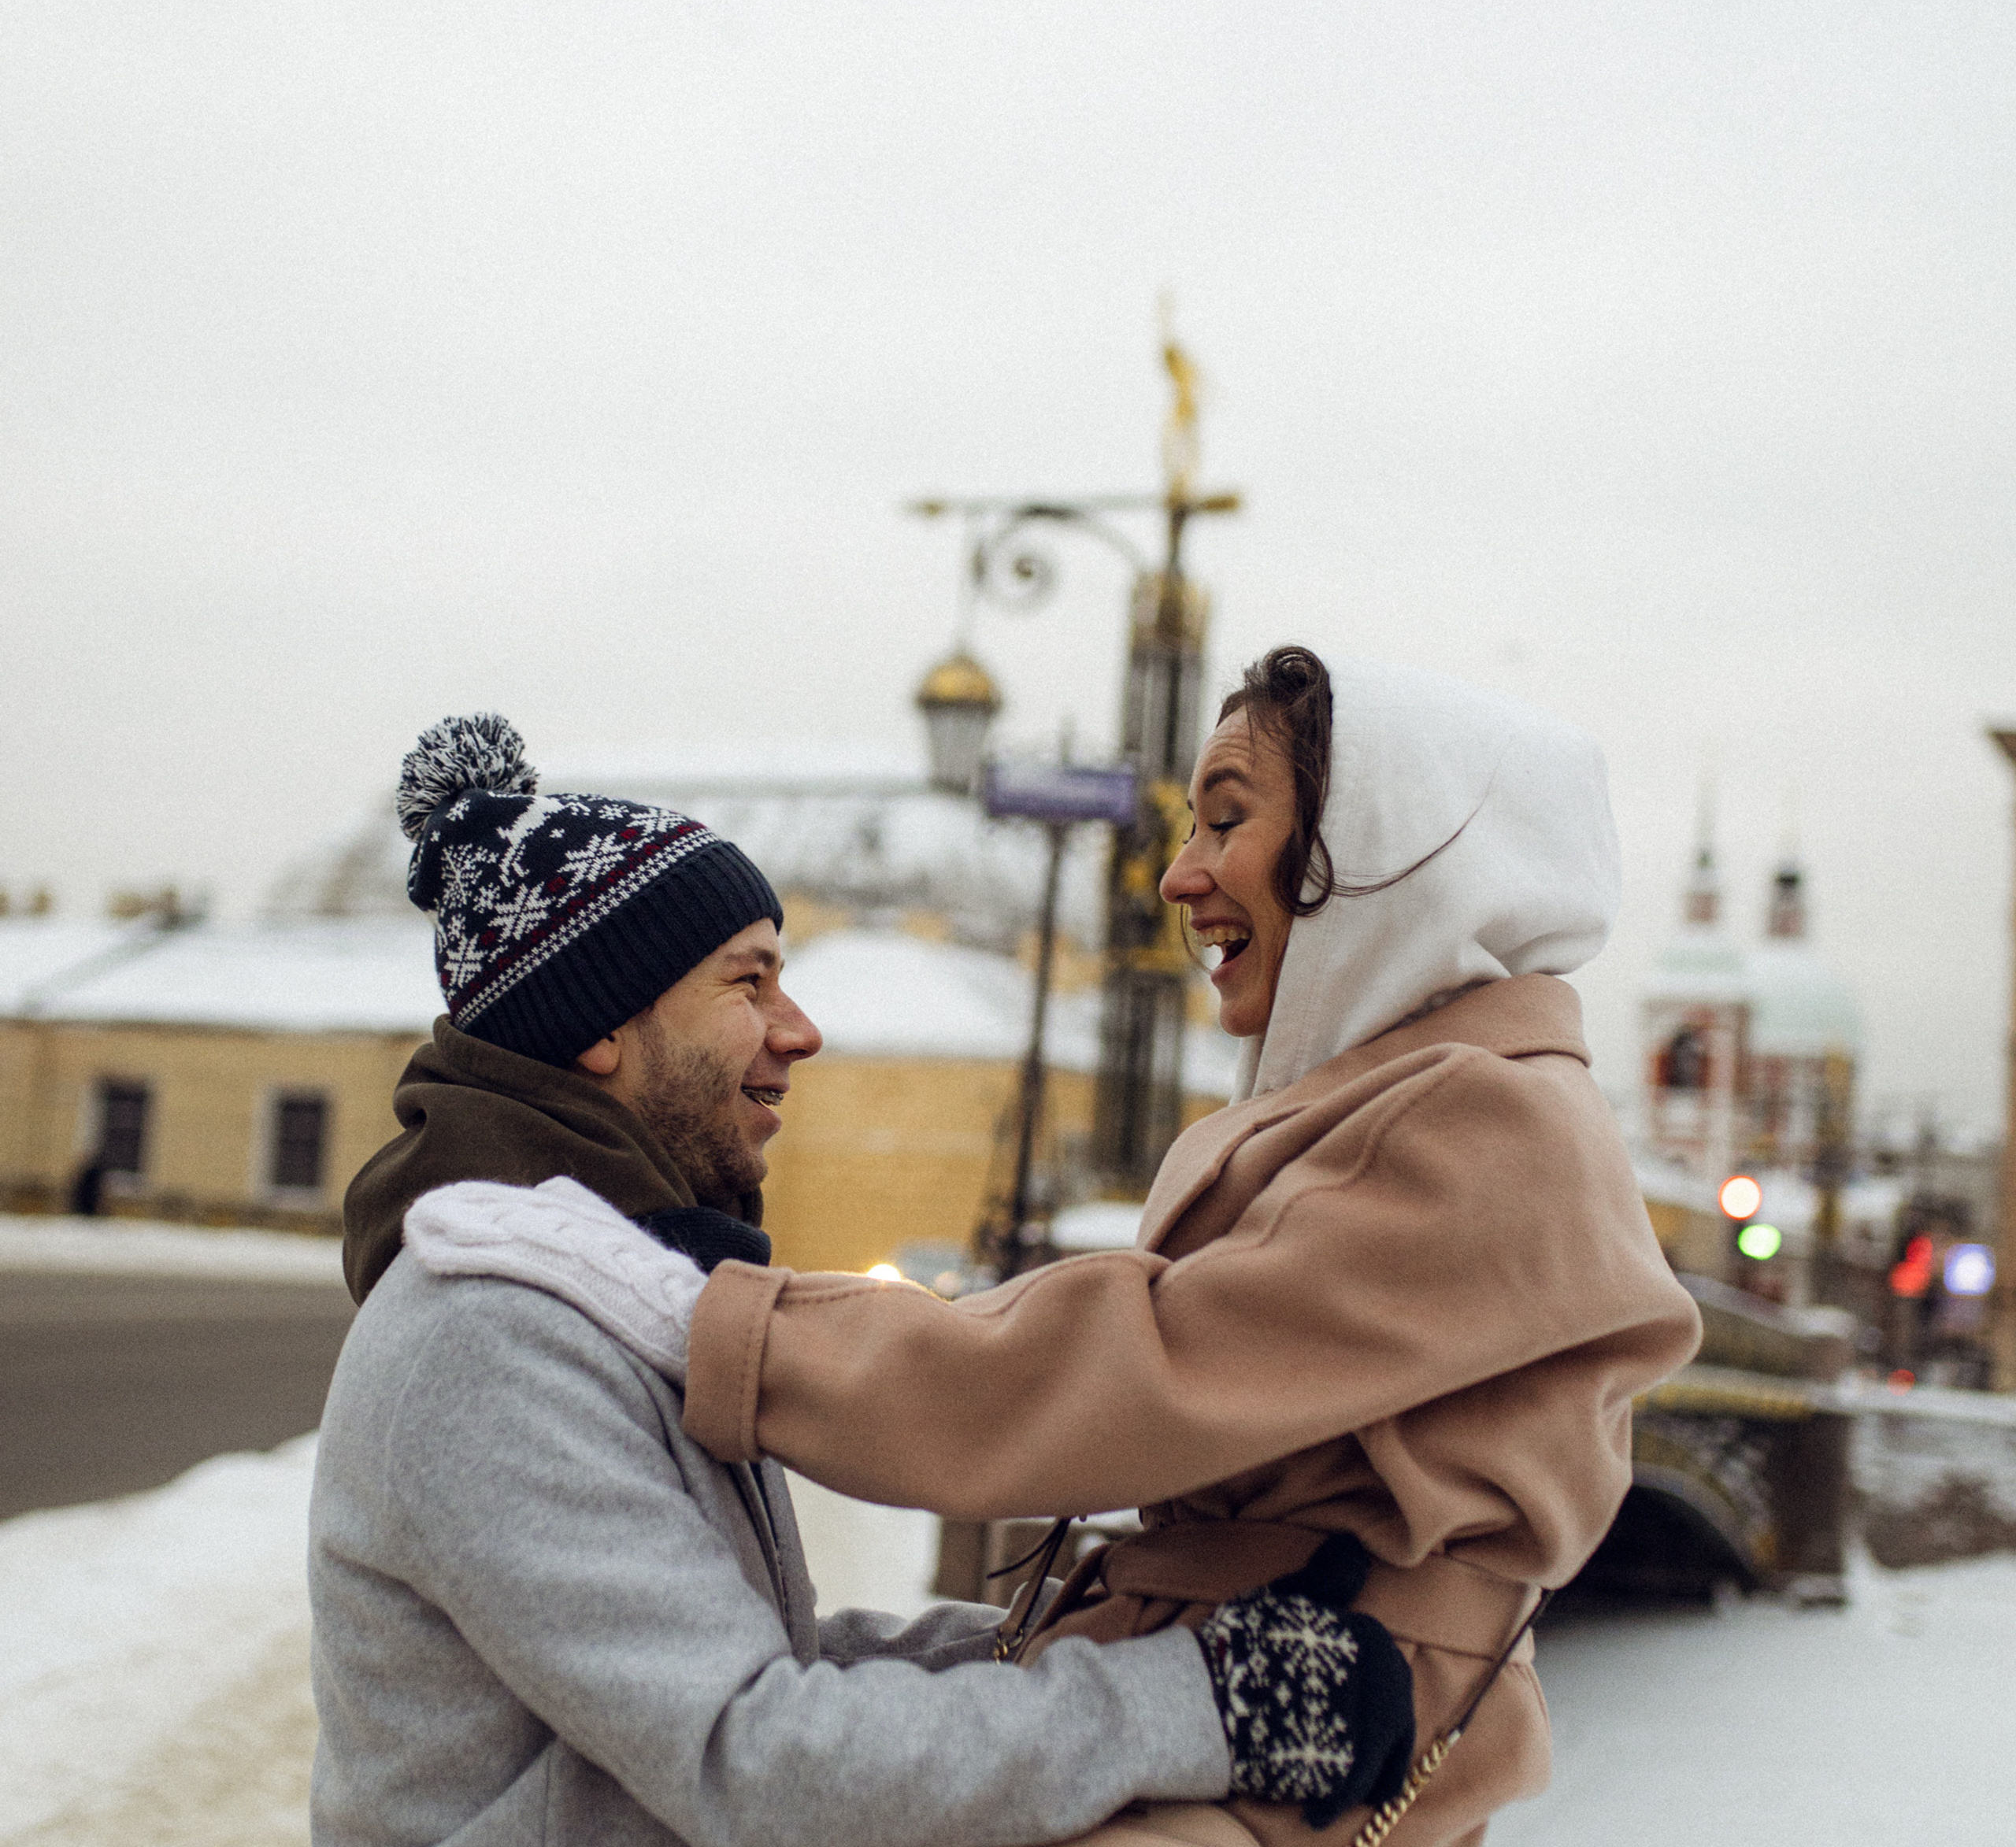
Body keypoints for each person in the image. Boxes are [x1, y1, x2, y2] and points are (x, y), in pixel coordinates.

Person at [453, 651, 1705, 1847]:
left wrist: (716, 1325)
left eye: (1228, 820)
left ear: (1388, 846)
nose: (1179, 874)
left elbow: (1142, 1370)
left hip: (1323, 1724)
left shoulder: (1488, 1120)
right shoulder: (1408, 1100)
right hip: (1270, 1694)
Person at [313, 713, 1411, 1847]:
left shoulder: (597, 1291)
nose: (801, 1031)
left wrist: (1102, 1635)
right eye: (748, 984)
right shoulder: (492, 1337)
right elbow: (753, 1756)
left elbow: (759, 1660)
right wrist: (1203, 1705)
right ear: (600, 1024)